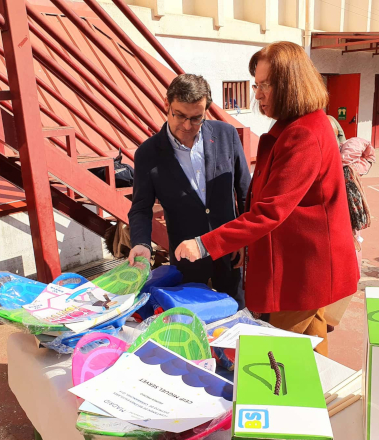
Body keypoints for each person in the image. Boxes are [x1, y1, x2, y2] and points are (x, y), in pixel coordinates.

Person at [174, 42, 359, 356]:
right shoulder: (297, 125)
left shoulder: (303, 133)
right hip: (300, 267)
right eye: (256, 85)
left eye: (265, 85)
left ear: (289, 85)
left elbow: (269, 211)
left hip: (303, 272)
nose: (257, 94)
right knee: (310, 346)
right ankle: (318, 386)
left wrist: (205, 244)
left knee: (279, 356)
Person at [128, 74, 251, 309]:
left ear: (206, 111)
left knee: (236, 316)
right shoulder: (147, 154)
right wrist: (141, 243)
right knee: (191, 321)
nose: (187, 126)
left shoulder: (227, 135)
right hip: (186, 260)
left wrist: (244, 241)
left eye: (196, 118)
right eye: (180, 115)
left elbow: (245, 192)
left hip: (229, 252)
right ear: (166, 104)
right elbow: (141, 208)